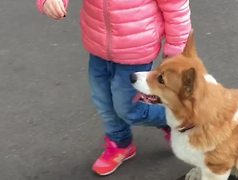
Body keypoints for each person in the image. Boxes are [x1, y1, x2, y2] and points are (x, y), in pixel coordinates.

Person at [36, 0, 192, 176]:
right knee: (104, 102)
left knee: (130, 110)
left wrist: (177, 50)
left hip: (136, 50)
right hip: (98, 45)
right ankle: (120, 143)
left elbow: (175, 7)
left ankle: (174, 119)